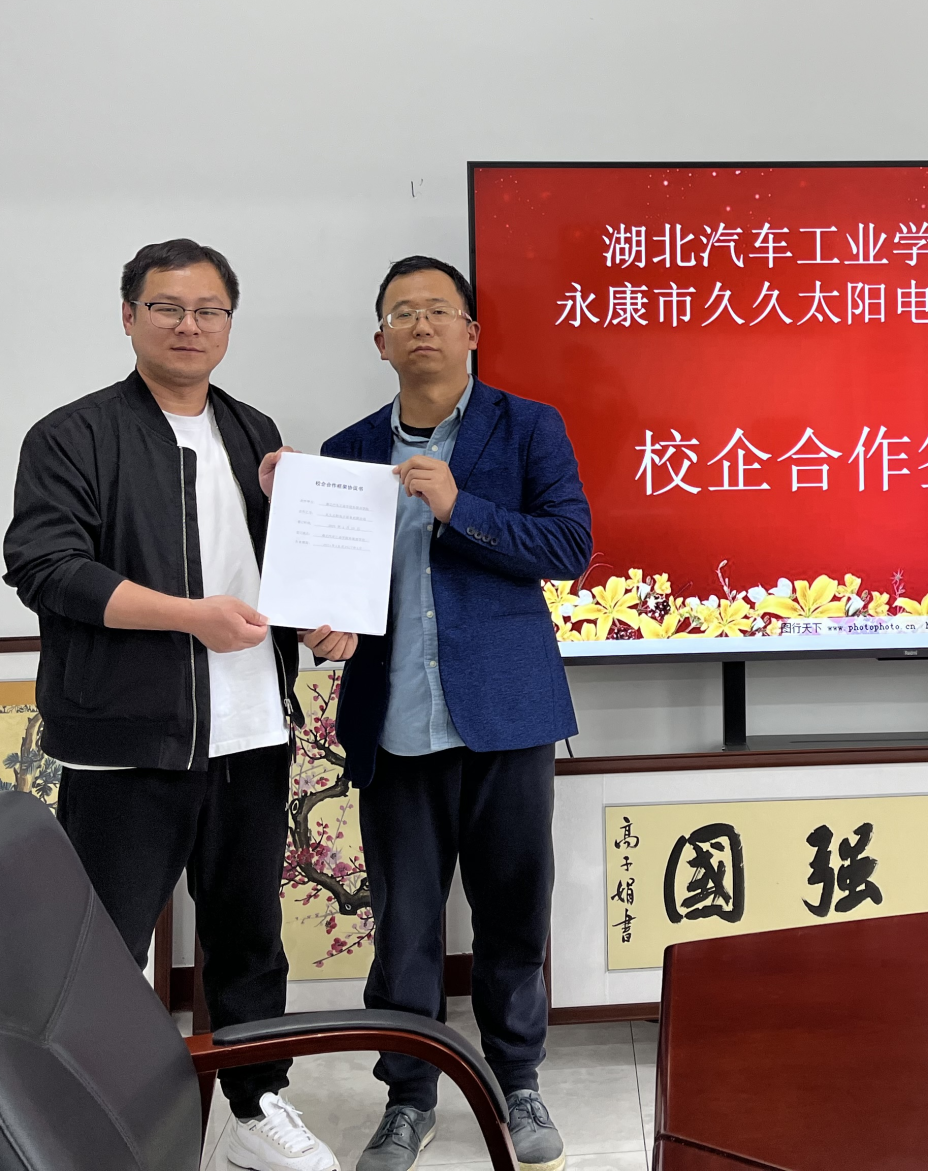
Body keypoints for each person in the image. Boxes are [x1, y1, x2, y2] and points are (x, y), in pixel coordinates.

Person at [4, 238, 340, 1171]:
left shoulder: (253, 431)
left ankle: (254, 1109)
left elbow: (280, 571)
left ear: (229, 322)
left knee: (248, 938)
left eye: (209, 310)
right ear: (129, 317)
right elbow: (45, 567)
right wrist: (189, 617)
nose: (189, 326)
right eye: (166, 307)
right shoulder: (73, 435)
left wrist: (325, 620)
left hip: (253, 731)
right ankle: (90, 1125)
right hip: (130, 741)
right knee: (105, 949)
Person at [276, 255, 591, 1171]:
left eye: (439, 310)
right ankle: (408, 1098)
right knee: (405, 930)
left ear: (471, 332)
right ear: (379, 341)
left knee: (513, 913)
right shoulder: (344, 453)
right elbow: (324, 590)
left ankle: (517, 1080)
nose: (422, 325)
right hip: (394, 724)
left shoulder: (529, 427)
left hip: (508, 719)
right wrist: (322, 629)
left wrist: (461, 507)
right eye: (402, 313)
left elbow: (569, 545)